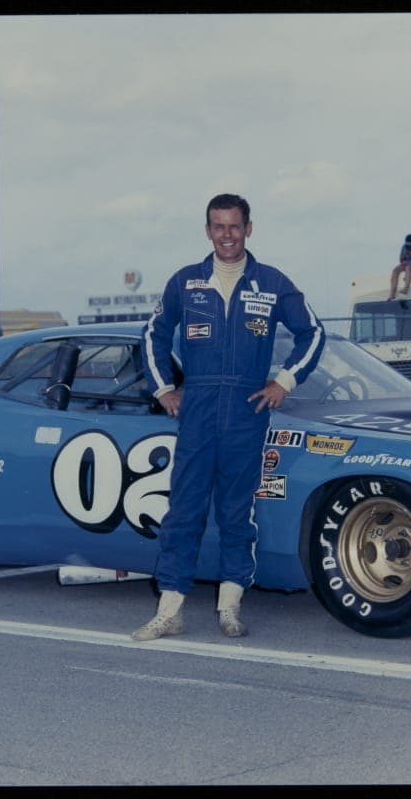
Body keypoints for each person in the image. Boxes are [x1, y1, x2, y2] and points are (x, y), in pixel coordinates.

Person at [135, 193, 325, 641]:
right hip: (197, 405)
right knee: (184, 511)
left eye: (234, 226)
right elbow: (153, 334)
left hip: (247, 408)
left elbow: (312, 333)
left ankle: (230, 606)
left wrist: (284, 382)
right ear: (207, 231)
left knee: (237, 512)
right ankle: (170, 611)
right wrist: (164, 388)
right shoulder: (185, 282)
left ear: (249, 229)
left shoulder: (273, 283)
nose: (226, 235)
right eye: (218, 226)